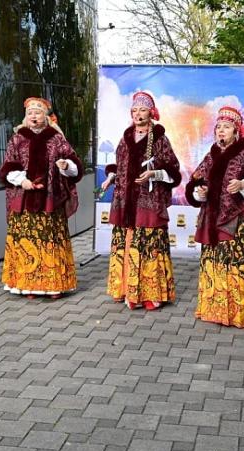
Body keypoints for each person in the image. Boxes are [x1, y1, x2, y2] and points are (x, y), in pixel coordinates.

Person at [185, 106, 244, 328]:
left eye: (226, 127)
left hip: (240, 221)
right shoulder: (211, 154)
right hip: (213, 219)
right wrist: (200, 191)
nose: (221, 131)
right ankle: (215, 309)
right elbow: (196, 180)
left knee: (237, 264)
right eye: (218, 127)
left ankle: (239, 311)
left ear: (236, 131)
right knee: (215, 262)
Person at [100, 91, 181, 310]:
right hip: (125, 201)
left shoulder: (160, 139)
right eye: (134, 110)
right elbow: (120, 165)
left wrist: (154, 174)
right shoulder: (125, 137)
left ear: (151, 112)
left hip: (148, 201)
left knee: (148, 245)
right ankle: (124, 288)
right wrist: (111, 177)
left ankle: (150, 293)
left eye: (142, 110)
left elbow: (173, 169)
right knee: (125, 244)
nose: (138, 114)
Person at [0, 97, 83, 299]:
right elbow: (8, 166)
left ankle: (53, 285)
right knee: (27, 242)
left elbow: (74, 162)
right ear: (25, 117)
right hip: (24, 199)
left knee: (50, 242)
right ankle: (29, 286)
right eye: (30, 113)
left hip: (50, 199)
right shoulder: (17, 139)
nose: (33, 117)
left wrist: (65, 166)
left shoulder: (56, 138)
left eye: (37, 113)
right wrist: (22, 181)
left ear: (45, 116)